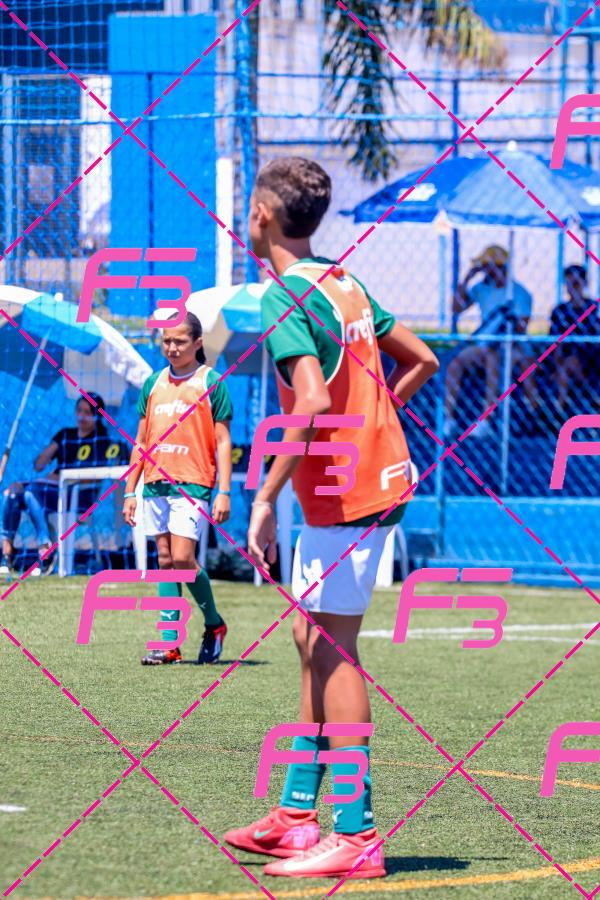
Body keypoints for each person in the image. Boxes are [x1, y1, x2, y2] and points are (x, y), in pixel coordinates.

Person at [224, 157, 439, 880]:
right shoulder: (341, 281)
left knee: (332, 650)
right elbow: (422, 359)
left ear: (261, 215)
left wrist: (263, 497)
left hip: (349, 497)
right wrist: (374, 419)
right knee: (307, 636)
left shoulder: (285, 294)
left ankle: (356, 834)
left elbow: (312, 401)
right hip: (360, 486)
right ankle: (295, 817)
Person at [123, 311, 232, 666]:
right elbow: (141, 441)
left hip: (194, 483)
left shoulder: (210, 382)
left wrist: (224, 491)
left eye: (180, 341)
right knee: (165, 560)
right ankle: (169, 642)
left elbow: (223, 441)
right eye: (166, 340)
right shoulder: (153, 384)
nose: (172, 347)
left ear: (197, 343)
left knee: (184, 559)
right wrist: (130, 490)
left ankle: (214, 624)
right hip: (155, 482)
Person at [0, 392, 119, 577]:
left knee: (30, 491)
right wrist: (52, 449)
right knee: (13, 494)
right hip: (49, 492)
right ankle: (7, 555)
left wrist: (48, 480)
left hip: (78, 497)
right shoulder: (66, 435)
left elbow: (88, 479)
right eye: (79, 411)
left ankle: (45, 547)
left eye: (87, 412)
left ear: (97, 416)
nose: (81, 416)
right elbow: (39, 466)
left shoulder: (101, 441)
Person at [445, 244, 534, 436]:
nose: (484, 271)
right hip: (484, 345)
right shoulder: (482, 289)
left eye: (488, 266)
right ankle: (448, 418)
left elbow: (520, 329)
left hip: (512, 347)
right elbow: (456, 308)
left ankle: (485, 419)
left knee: (492, 359)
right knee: (455, 363)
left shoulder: (519, 293)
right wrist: (466, 280)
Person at [548, 265, 600, 409]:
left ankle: (562, 405)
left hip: (591, 357)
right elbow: (555, 342)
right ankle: (559, 407)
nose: (573, 287)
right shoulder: (560, 311)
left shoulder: (594, 308)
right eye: (569, 283)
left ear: (584, 284)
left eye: (576, 283)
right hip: (566, 356)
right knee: (566, 363)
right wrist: (556, 365)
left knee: (571, 362)